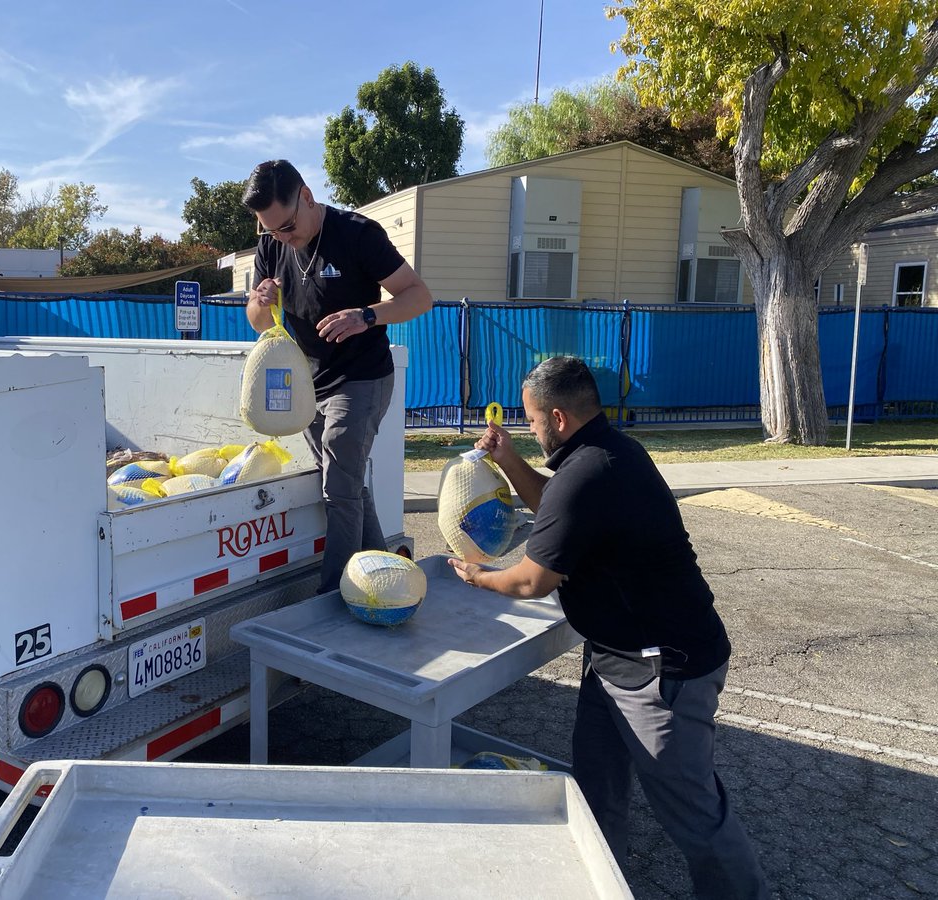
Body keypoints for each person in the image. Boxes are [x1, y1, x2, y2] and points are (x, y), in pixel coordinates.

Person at [447, 356, 769, 900]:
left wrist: (479, 576)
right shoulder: (608, 454)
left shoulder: (589, 472)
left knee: (693, 812)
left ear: (557, 418)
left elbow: (532, 581)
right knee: (598, 788)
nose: (530, 431)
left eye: (532, 421)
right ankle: (600, 886)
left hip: (664, 670)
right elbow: (557, 507)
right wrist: (508, 460)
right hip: (614, 658)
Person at [242, 159, 432, 591]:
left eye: (287, 227)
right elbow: (259, 322)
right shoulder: (271, 244)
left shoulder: (357, 234)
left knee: (339, 489)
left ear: (307, 197)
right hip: (309, 385)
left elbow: (419, 296)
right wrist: (260, 301)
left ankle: (333, 596)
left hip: (362, 378)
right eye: (269, 230)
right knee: (347, 483)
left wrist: (367, 315)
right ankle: (386, 579)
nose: (281, 238)